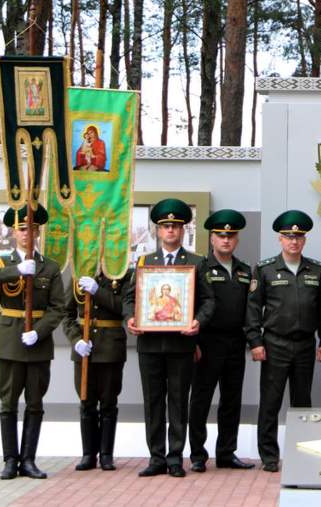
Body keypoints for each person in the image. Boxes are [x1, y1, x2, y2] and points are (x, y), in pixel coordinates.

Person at [122, 198, 215, 478]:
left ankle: (175, 458)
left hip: (181, 344)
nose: (171, 231)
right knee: (153, 402)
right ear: (158, 232)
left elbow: (209, 301)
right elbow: (129, 298)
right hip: (149, 345)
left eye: (176, 226)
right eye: (166, 227)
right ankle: (156, 457)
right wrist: (130, 318)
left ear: (184, 230)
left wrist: (199, 321)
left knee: (177, 401)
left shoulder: (196, 263)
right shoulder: (143, 262)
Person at [0, 204, 65, 480]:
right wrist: (16, 270)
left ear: (39, 232)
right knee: (9, 403)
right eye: (22, 229)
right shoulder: (4, 263)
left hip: (38, 342)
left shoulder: (49, 267)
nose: (28, 234)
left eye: (32, 229)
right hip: (10, 341)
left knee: (35, 403)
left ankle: (28, 460)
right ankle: (10, 460)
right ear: (14, 233)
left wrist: (39, 331)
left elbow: (58, 307)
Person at [245, 210, 321, 473]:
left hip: (305, 345)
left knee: (302, 402)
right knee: (270, 402)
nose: (294, 241)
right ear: (279, 239)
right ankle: (269, 456)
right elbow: (252, 309)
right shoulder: (265, 269)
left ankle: (302, 452)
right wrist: (255, 342)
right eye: (288, 237)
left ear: (304, 240)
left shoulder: (316, 270)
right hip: (274, 345)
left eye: (298, 237)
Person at [188, 209, 255, 472]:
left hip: (235, 343)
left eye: (231, 235)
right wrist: (192, 343)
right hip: (206, 342)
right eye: (220, 235)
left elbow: (250, 309)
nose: (226, 240)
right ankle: (197, 455)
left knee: (231, 400)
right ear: (212, 238)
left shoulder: (244, 270)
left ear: (236, 239)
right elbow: (191, 305)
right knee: (201, 400)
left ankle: (227, 453)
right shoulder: (200, 268)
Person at [62, 264, 130, 472]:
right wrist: (75, 340)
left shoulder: (123, 273)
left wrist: (97, 292)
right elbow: (66, 314)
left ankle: (106, 455)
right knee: (86, 401)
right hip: (85, 347)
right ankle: (88, 454)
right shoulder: (78, 275)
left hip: (110, 346)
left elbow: (124, 308)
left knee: (109, 402)